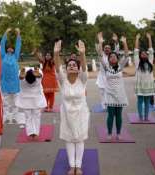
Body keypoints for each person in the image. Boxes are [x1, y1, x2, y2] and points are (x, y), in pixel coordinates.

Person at [54, 40, 89, 175]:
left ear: (77, 68)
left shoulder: (82, 79)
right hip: (67, 114)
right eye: (69, 65)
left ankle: (78, 166)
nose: (72, 66)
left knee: (79, 139)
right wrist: (56, 54)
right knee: (69, 139)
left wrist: (82, 54)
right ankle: (71, 166)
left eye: (74, 65)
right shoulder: (63, 81)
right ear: (67, 68)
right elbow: (57, 69)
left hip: (81, 114)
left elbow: (85, 68)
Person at [97, 32, 129, 140]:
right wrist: (101, 42)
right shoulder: (106, 67)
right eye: (111, 57)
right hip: (109, 93)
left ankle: (119, 133)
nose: (113, 58)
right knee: (110, 115)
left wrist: (124, 42)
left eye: (115, 56)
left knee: (119, 115)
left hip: (120, 94)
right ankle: (110, 133)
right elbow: (100, 55)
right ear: (109, 59)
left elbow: (126, 55)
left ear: (117, 58)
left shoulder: (120, 67)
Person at [15, 67, 47, 140]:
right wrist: (37, 74)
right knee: (34, 116)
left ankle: (32, 133)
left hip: (31, 99)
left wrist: (37, 74)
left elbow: (21, 77)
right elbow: (21, 77)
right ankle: (34, 133)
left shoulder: (24, 78)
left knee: (29, 117)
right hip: (33, 99)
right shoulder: (25, 76)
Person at [0, 28, 22, 124]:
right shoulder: (3, 56)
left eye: (11, 48)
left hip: (14, 82)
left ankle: (14, 117)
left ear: (13, 50)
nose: (10, 48)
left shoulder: (15, 56)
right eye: (8, 47)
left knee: (15, 101)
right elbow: (2, 44)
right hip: (5, 81)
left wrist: (18, 34)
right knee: (6, 102)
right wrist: (5, 33)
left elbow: (18, 46)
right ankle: (6, 117)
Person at [134, 33, 155, 121]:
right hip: (140, 86)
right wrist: (137, 39)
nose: (143, 55)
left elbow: (151, 50)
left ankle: (146, 117)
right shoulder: (137, 63)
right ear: (140, 56)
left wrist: (149, 38)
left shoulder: (150, 61)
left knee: (147, 102)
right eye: (142, 54)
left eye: (145, 54)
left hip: (149, 86)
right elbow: (135, 51)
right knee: (140, 102)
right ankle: (140, 117)